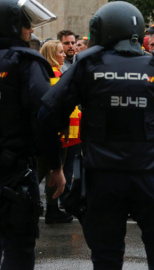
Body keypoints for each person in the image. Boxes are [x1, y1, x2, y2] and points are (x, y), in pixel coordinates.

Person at [39, 2, 154, 269]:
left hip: (103, 178)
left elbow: (48, 112)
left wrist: (55, 164)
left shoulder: (87, 66)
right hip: (150, 176)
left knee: (107, 256)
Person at [0, 0, 65, 269]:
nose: (30, 31)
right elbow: (44, 116)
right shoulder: (26, 62)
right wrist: (55, 165)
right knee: (18, 250)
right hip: (12, 174)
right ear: (15, 26)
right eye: (27, 24)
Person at [39, 40, 75, 224]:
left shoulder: (52, 72)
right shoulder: (52, 74)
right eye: (60, 52)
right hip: (57, 132)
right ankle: (51, 209)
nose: (64, 55)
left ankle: (52, 209)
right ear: (53, 54)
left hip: (60, 131)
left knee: (49, 170)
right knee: (47, 169)